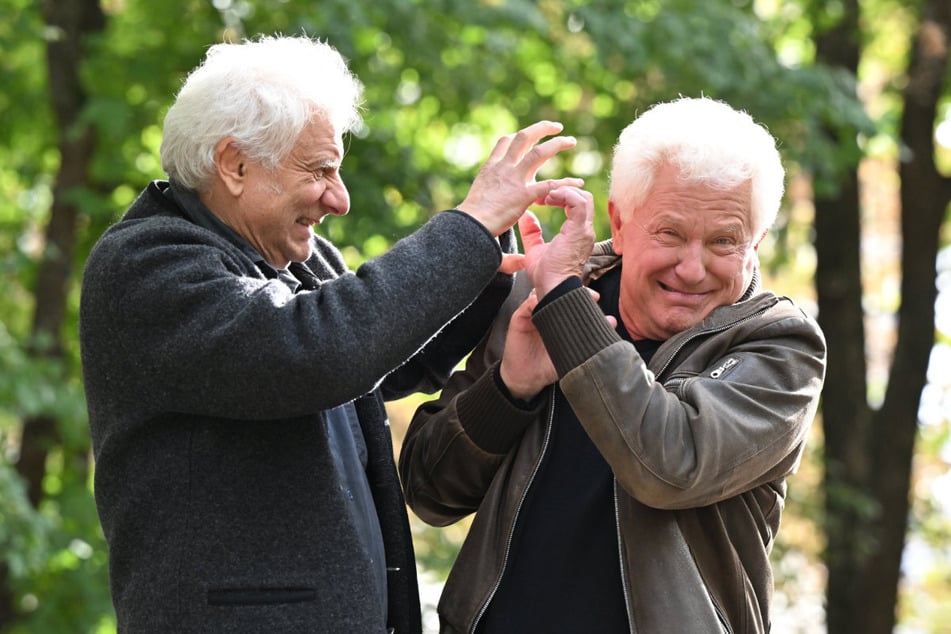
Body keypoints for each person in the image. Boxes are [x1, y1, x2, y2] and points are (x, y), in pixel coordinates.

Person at [79, 34, 586, 634]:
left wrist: (494, 256)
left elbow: (381, 361)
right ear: (234, 164)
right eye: (319, 170)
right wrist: (469, 227)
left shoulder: (295, 259)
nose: (339, 200)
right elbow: (316, 352)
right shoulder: (145, 264)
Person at [398, 96, 827, 633]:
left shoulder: (780, 346)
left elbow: (669, 464)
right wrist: (510, 388)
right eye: (670, 233)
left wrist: (566, 311)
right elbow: (429, 491)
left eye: (723, 241)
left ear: (756, 244)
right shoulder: (541, 295)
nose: (692, 268)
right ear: (620, 224)